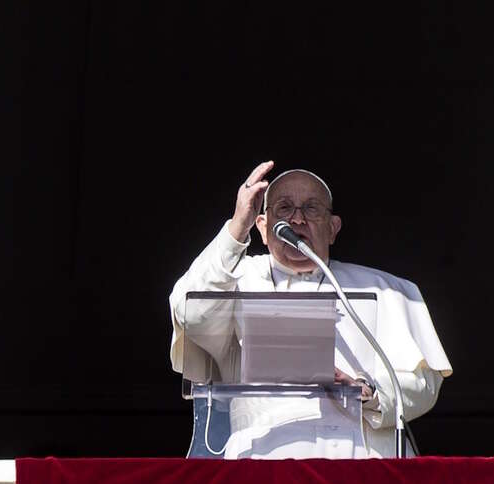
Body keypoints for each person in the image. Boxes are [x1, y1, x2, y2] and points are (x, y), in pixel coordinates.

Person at [169, 160, 452, 458]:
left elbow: (422, 385)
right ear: (262, 228)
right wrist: (238, 225)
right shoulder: (233, 281)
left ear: (333, 228)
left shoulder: (384, 289)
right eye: (284, 209)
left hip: (361, 466)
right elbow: (192, 316)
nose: (297, 219)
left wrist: (367, 391)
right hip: (263, 462)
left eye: (312, 208)